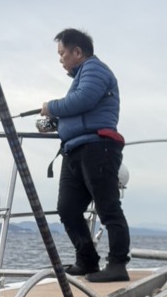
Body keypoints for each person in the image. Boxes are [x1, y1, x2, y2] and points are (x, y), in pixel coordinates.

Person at [40, 28, 131, 283]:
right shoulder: (81, 75)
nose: (60, 59)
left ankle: (117, 265)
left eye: (62, 53)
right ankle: (87, 260)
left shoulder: (95, 69)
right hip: (74, 150)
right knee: (67, 208)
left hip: (97, 148)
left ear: (77, 52)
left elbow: (83, 100)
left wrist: (50, 108)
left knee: (108, 207)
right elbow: (80, 107)